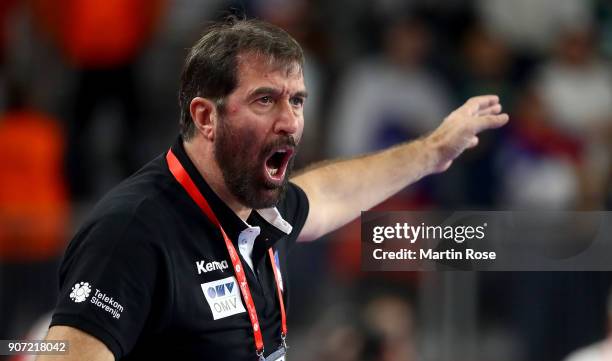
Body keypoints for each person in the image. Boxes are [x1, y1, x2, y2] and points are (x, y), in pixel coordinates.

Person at [37, 18, 508, 361]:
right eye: (265, 100)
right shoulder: (133, 232)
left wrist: (433, 151)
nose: (290, 122)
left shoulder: (256, 205)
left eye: (297, 100)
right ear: (206, 117)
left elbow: (331, 192)